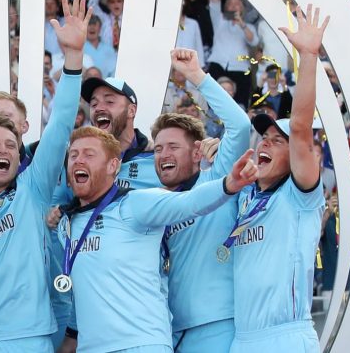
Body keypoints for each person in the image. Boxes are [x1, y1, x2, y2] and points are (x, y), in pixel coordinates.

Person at [0, 0, 87, 352]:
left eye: (10, 145)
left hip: (30, 338)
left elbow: (60, 123)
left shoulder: (34, 187)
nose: (2, 151)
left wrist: (73, 58)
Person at [55, 127, 258, 353]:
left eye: (89, 154)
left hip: (141, 344)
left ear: (113, 166)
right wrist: (70, 340)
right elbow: (84, 287)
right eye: (73, 155)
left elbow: (189, 202)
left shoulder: (135, 204)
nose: (78, 160)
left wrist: (228, 184)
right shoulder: (67, 226)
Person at [228, 5, 329, 352]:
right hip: (241, 339)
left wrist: (309, 56)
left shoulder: (300, 195)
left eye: (277, 140)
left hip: (285, 337)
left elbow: (300, 128)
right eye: (264, 138)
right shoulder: (245, 197)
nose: (265, 144)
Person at [153, 48, 252, 352]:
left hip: (219, 325)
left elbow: (241, 126)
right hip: (173, 331)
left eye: (172, 147)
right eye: (157, 149)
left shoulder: (219, 179)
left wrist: (196, 76)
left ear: (198, 152)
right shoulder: (157, 204)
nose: (163, 155)